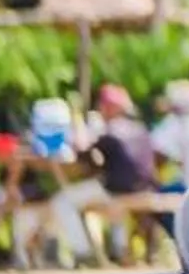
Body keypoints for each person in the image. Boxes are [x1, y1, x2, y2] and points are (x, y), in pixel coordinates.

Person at [46, 83, 160, 261]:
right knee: (112, 197)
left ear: (109, 108)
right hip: (146, 188)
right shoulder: (141, 128)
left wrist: (77, 125)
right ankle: (118, 247)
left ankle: (82, 252)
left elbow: (83, 152)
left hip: (119, 191)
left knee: (63, 200)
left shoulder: (109, 131)